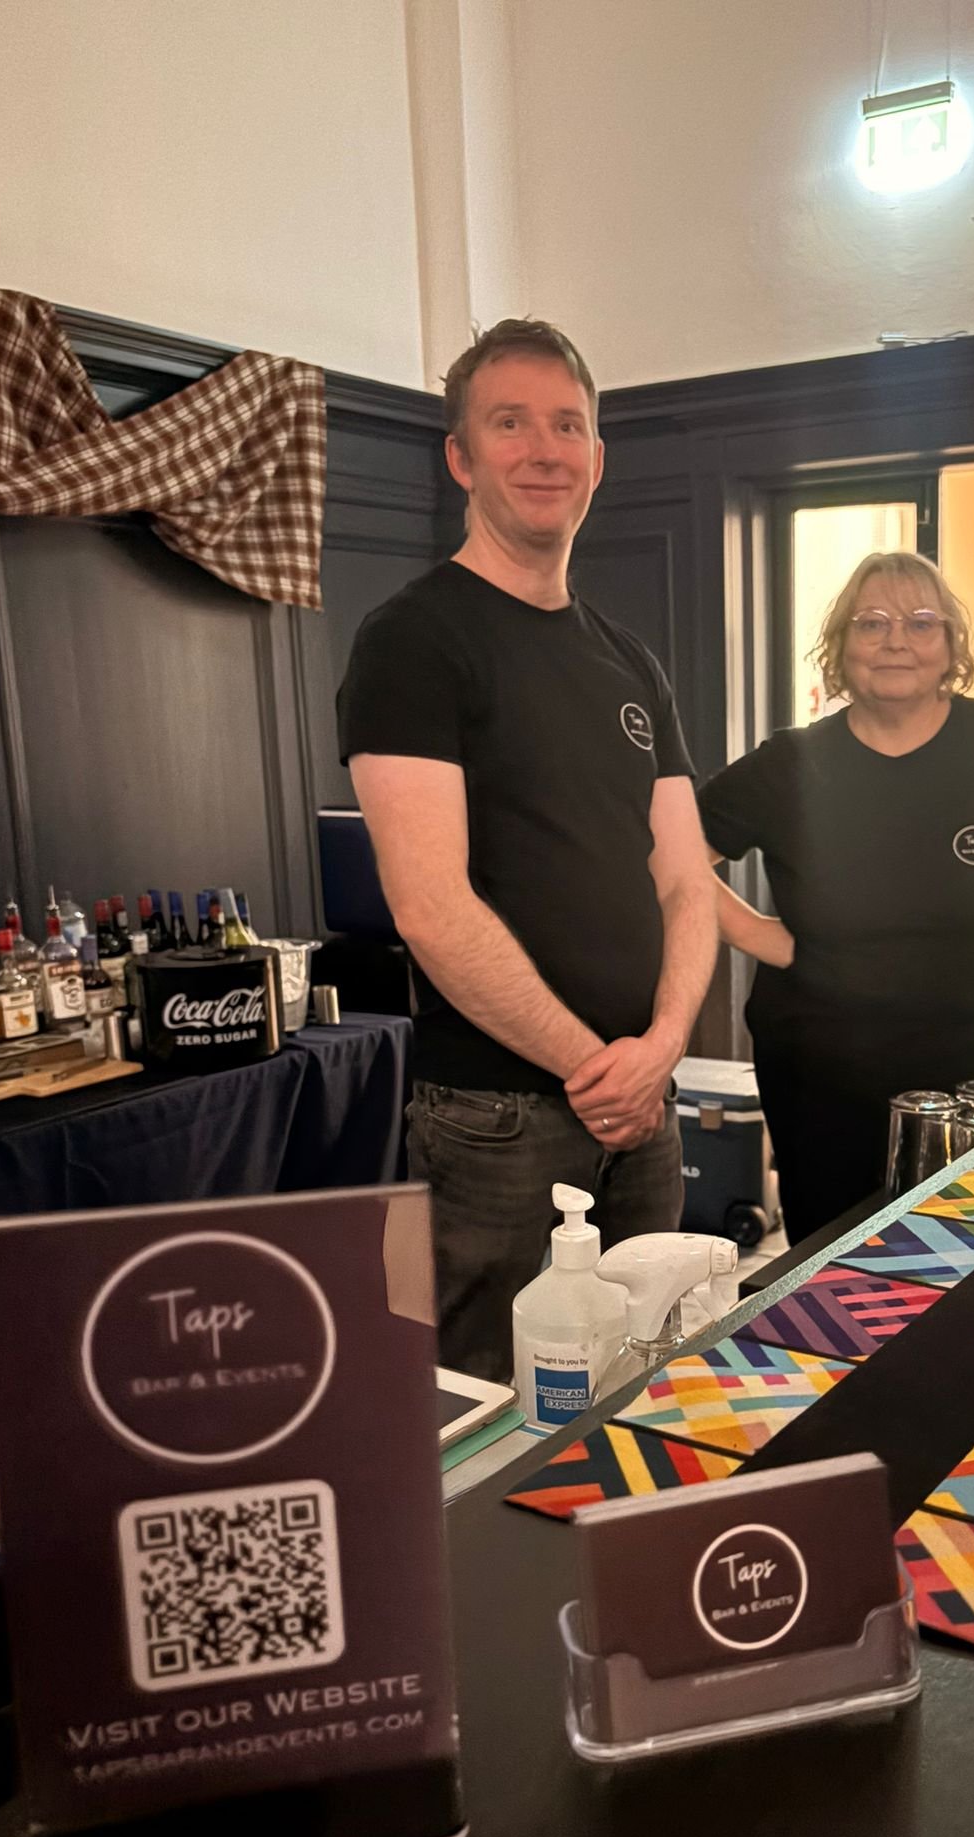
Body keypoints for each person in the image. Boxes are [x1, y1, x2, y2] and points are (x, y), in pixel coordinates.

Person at [337, 319, 717, 1380]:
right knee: (491, 1412)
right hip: (497, 1122)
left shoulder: (630, 660)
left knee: (646, 1378)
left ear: (597, 457)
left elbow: (688, 880)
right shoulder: (413, 639)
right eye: (511, 423)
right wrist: (596, 1068)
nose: (545, 449)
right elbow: (430, 906)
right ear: (461, 456)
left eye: (569, 425)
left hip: (644, 1102)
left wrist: (661, 1049)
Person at [697, 549, 974, 1243]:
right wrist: (758, 933)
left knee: (955, 1241)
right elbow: (669, 853)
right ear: (841, 647)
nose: (895, 639)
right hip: (817, 1068)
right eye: (870, 623)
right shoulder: (790, 763)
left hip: (966, 1056)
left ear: (951, 647)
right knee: (829, 1254)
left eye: (920, 622)